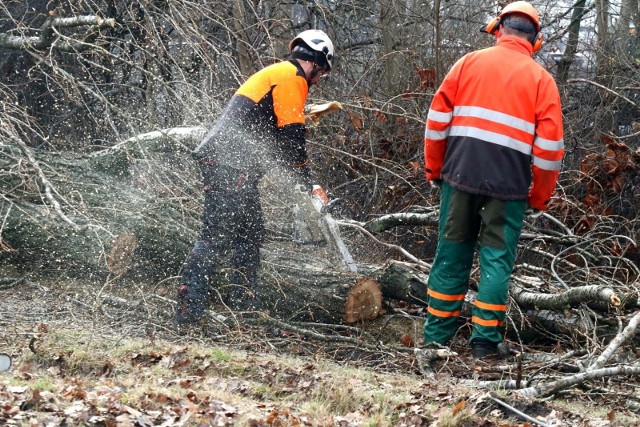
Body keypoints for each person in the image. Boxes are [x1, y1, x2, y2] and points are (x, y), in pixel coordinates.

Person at [422, 1, 564, 358]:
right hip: (509, 187)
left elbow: (436, 123)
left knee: (451, 252)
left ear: (498, 29)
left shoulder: (467, 63)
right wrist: (539, 196)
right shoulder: (541, 81)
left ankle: (437, 338)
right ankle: (485, 342)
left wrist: (435, 169)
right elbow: (549, 151)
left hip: (459, 175)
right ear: (536, 40)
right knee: (496, 260)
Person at [176, 29, 335, 325]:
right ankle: (189, 312)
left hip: (234, 163)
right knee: (216, 235)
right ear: (315, 62)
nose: (317, 81)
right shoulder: (293, 76)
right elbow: (292, 139)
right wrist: (308, 183)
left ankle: (243, 306)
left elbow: (271, 129)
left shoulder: (281, 75)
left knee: (249, 233)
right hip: (230, 162)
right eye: (321, 74)